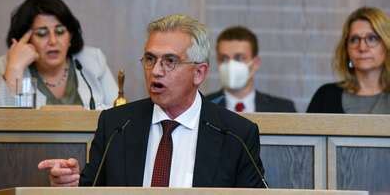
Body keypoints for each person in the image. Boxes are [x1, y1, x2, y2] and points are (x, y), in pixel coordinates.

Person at [38, 14, 265, 188]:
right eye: (150, 59)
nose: (156, 71)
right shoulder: (117, 125)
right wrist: (71, 185)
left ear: (199, 73)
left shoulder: (236, 135)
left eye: (169, 61)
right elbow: (92, 189)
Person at [0, 0, 118, 110]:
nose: (53, 41)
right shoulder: (5, 66)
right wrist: (15, 68)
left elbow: (119, 115)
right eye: (42, 33)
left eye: (60, 31)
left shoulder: (93, 60)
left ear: (70, 36)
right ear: (26, 40)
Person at [307, 6, 390, 114]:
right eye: (354, 39)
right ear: (346, 49)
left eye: (372, 38)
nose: (362, 48)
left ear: (386, 45)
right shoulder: (325, 95)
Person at [207, 26, 296, 113]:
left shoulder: (283, 109)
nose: (231, 64)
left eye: (239, 58)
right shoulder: (203, 107)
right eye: (224, 58)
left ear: (256, 63)